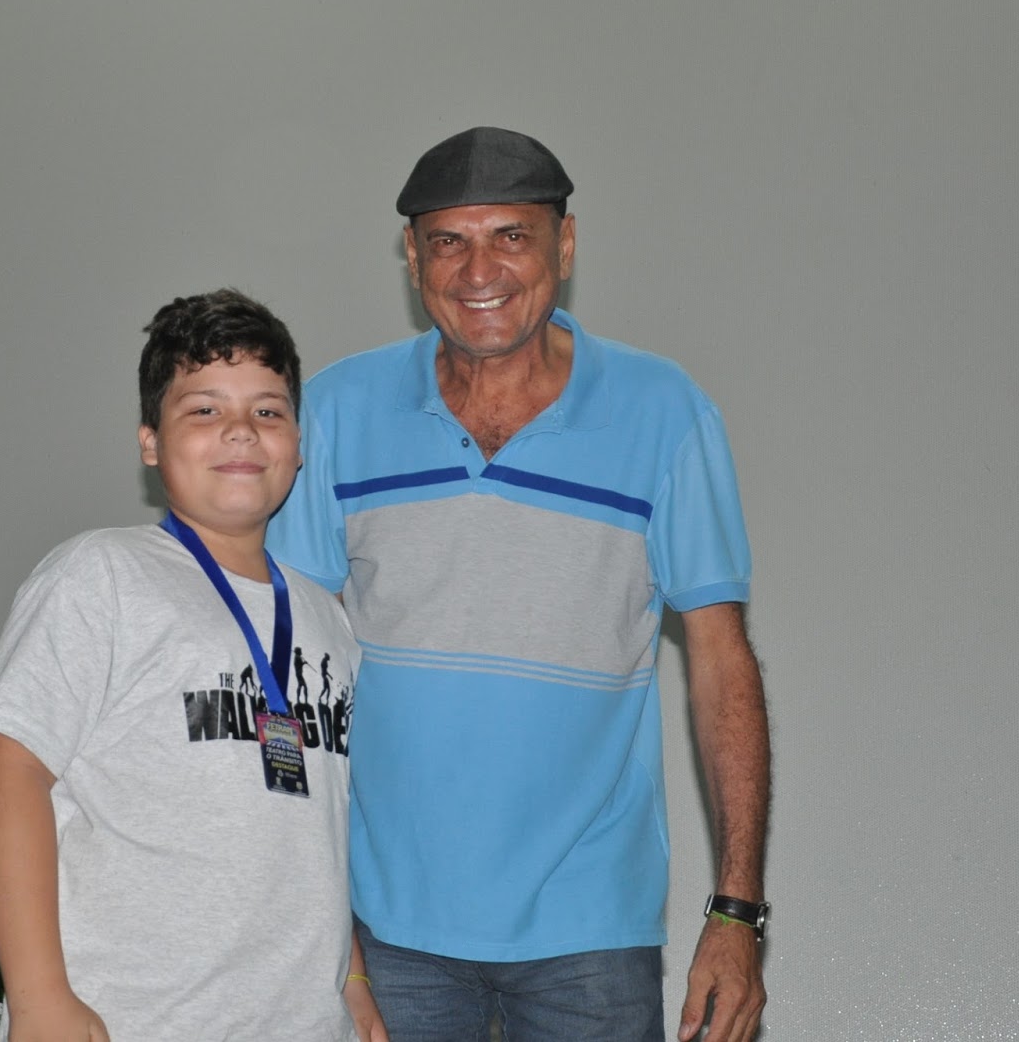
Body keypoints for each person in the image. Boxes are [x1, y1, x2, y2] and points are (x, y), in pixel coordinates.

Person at [267, 127, 771, 1042]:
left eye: (510, 235)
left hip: (591, 928)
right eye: (447, 241)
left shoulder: (665, 414)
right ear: (412, 257)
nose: (478, 270)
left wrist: (737, 916)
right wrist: (307, 907)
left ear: (564, 246)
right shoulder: (334, 411)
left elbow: (721, 663)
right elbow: (290, 671)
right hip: (384, 924)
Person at [0, 288, 386, 1041]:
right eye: (203, 409)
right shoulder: (101, 575)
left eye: (268, 411)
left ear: (298, 446)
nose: (240, 429)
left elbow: (317, 836)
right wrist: (38, 999)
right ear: (150, 442)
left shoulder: (329, 623)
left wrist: (352, 983)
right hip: (137, 1021)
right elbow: (10, 770)